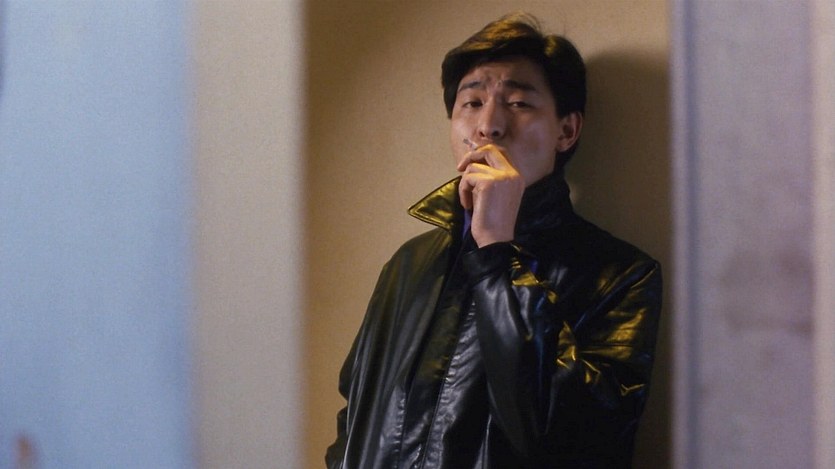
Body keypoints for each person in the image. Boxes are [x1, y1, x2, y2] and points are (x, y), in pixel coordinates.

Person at [326, 12, 662, 469]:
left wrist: (495, 254)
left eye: (519, 103)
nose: (488, 125)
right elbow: (354, 419)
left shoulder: (621, 276)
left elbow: (572, 438)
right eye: (471, 102)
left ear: (567, 130)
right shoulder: (410, 263)